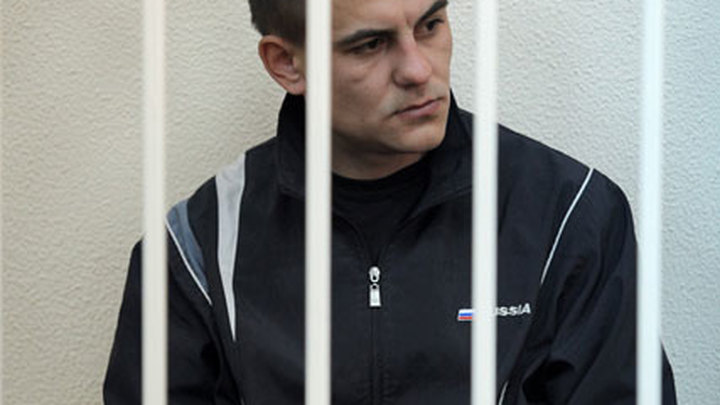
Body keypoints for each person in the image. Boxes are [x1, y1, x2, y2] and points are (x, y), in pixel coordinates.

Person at [104, 0, 677, 403]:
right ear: (287, 63)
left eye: (430, 24)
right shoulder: (195, 253)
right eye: (371, 45)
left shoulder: (570, 216)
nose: (419, 70)